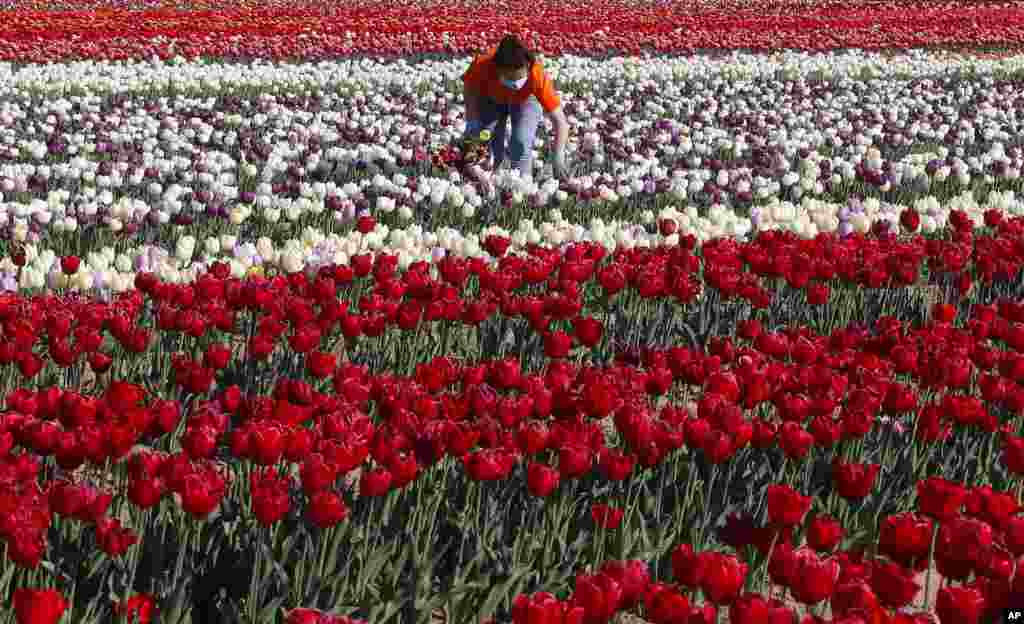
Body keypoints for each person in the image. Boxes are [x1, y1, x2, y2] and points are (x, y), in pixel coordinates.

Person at [461, 35, 570, 180]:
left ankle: (522, 184)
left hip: (525, 101)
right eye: (510, 78)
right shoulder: (483, 64)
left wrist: (558, 154)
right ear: (497, 69)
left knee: (521, 140)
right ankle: (490, 179)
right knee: (485, 136)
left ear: (527, 67)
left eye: (519, 78)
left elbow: (560, 121)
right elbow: (470, 90)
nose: (515, 83)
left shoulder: (536, 74)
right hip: (491, 99)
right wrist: (472, 120)